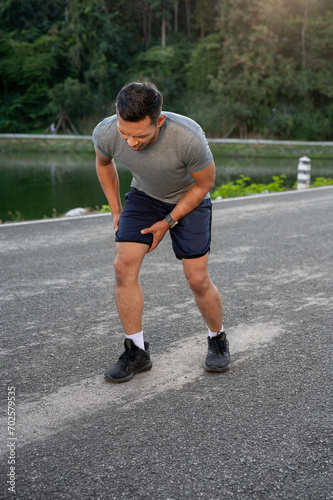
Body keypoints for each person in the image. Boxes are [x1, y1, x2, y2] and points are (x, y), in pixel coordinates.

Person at [93, 81, 230, 383]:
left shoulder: (188, 137)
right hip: (144, 196)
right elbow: (104, 163)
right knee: (122, 267)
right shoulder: (105, 131)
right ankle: (137, 351)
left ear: (160, 121)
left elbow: (204, 184)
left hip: (189, 199)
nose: (131, 142)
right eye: (125, 133)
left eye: (140, 135)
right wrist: (116, 210)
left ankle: (217, 337)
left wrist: (168, 221)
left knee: (197, 279)